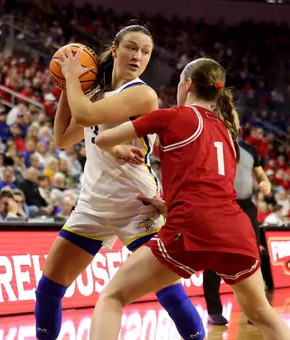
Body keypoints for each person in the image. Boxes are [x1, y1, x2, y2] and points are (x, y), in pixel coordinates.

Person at [91, 58, 290, 340]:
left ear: (187, 85)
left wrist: (120, 148)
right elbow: (209, 186)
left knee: (112, 297)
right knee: (261, 312)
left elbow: (102, 140)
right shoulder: (228, 133)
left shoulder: (172, 116)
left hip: (193, 227)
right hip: (236, 230)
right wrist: (168, 205)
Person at [34, 24, 204, 340]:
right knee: (48, 289)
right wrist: (66, 86)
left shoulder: (142, 93)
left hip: (137, 205)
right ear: (115, 50)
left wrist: (72, 77)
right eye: (131, 47)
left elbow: (84, 117)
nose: (137, 56)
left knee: (169, 292)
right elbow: (61, 137)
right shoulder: (96, 95)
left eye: (145, 51)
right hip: (93, 206)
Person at [203, 138, 272, 325]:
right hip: (220, 203)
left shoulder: (250, 150)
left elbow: (261, 176)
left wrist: (266, 185)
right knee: (214, 255)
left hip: (247, 206)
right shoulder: (213, 143)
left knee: (252, 255)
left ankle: (255, 309)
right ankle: (214, 310)